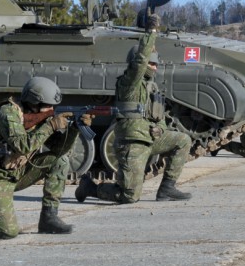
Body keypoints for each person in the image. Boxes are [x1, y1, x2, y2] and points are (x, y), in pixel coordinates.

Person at [75, 13, 192, 204]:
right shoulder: (129, 83)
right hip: (133, 143)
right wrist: (151, 32)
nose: (154, 67)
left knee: (183, 140)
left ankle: (167, 188)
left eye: (155, 64)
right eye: (151, 63)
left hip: (150, 138)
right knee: (129, 196)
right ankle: (91, 188)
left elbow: (160, 116)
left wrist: (160, 129)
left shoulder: (151, 87)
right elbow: (140, 62)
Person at [0, 76, 88, 239]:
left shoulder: (41, 117)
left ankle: (48, 218)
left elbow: (59, 149)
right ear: (34, 102)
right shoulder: (7, 113)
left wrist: (75, 129)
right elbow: (23, 146)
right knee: (6, 232)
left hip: (18, 172)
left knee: (60, 160)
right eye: (48, 106)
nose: (51, 109)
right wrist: (51, 126)